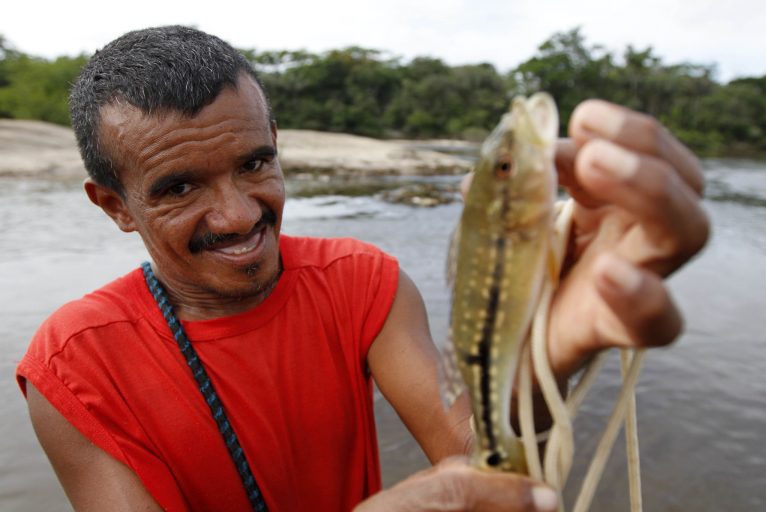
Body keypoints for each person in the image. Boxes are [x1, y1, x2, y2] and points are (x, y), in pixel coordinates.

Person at [16, 25, 708, 512]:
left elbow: (474, 449)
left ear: (277, 145)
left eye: (255, 164)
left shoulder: (360, 281)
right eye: (178, 188)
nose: (236, 215)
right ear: (115, 206)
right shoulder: (72, 366)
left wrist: (543, 349)